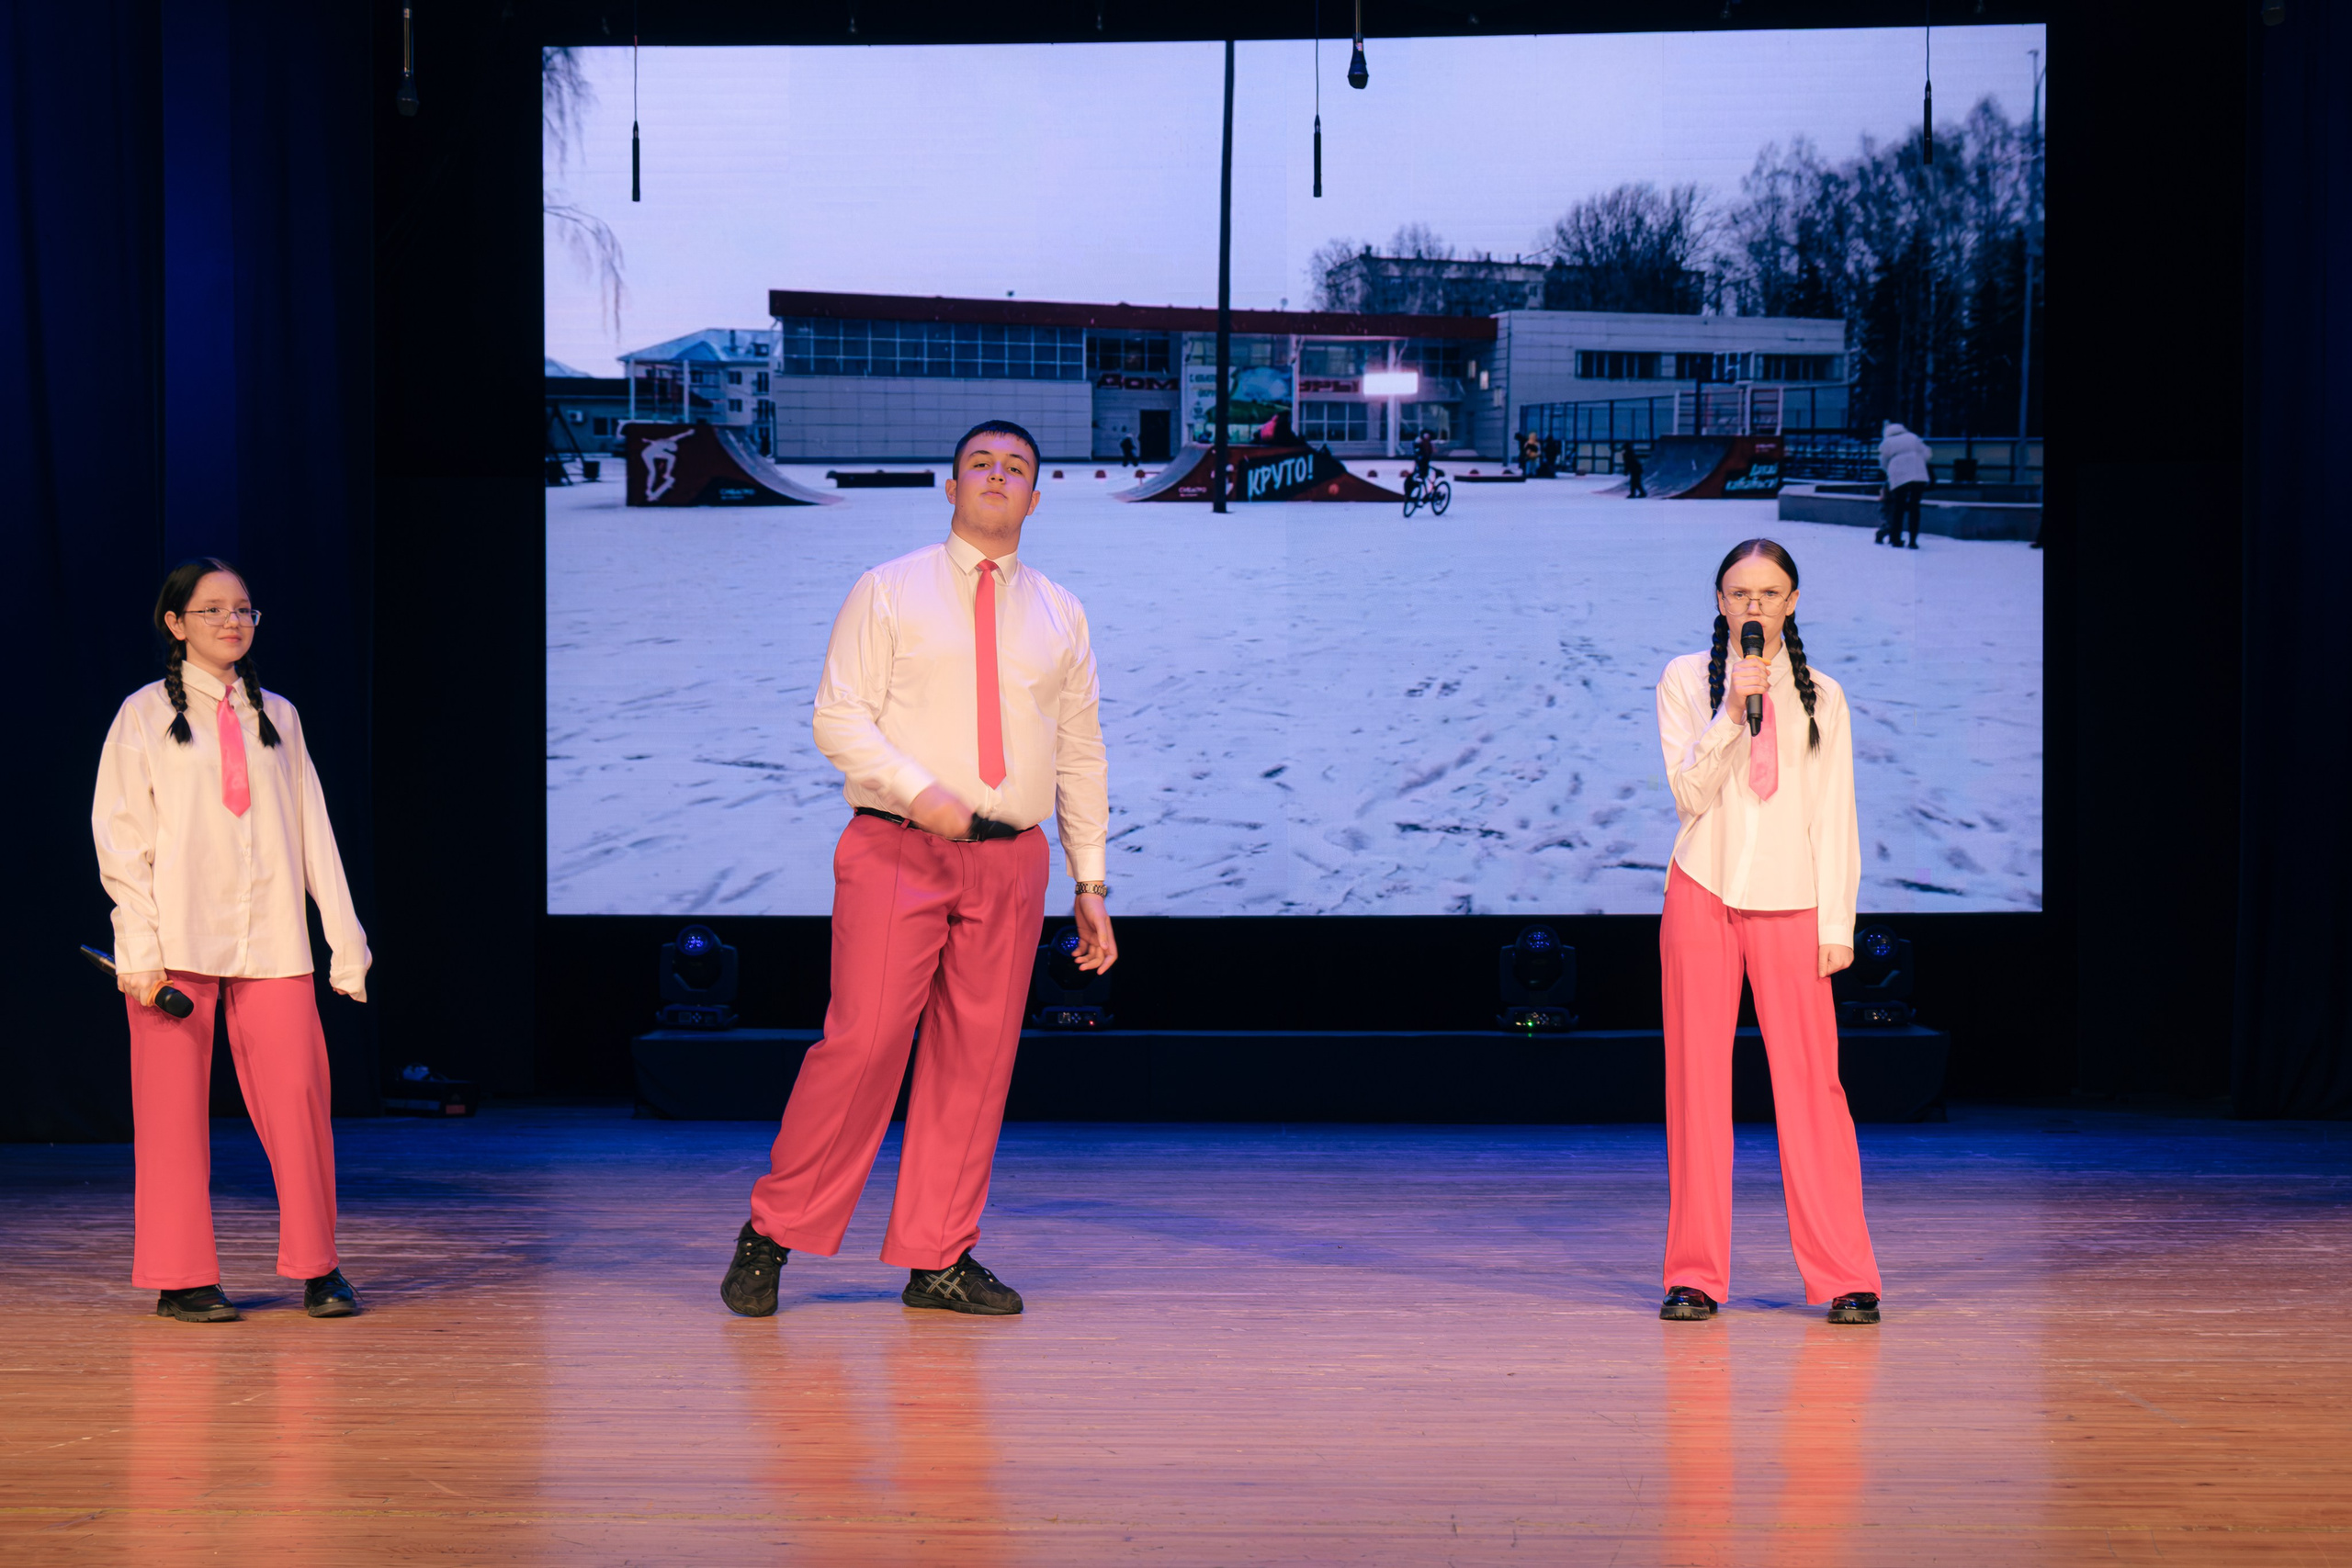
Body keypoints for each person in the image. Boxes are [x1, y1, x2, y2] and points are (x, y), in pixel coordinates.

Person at [720, 419, 1115, 1320]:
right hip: (898, 845)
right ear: (950, 486)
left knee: (973, 1065)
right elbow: (838, 719)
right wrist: (922, 792)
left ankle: (938, 1257)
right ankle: (771, 1232)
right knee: (862, 1048)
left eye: (1016, 467)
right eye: (980, 463)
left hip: (1010, 862)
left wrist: (1088, 882)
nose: (996, 476)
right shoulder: (888, 590)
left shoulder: (1060, 612)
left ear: (1035, 497)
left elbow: (1081, 752)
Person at [92, 558, 369, 1324]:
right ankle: (183, 1278)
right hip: (174, 943)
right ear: (176, 623)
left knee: (300, 1102)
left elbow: (314, 830)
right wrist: (138, 947)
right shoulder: (144, 714)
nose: (232, 622)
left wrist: (344, 937)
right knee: (171, 1115)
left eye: (243, 609)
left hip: (272, 938)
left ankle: (319, 1265)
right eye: (212, 610)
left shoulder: (278, 713)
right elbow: (120, 838)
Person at [1652, 539, 1882, 1327]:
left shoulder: (1826, 695)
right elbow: (1688, 793)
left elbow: (1835, 815)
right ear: (1721, 601)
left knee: (1814, 1090)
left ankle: (1846, 1274)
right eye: (1740, 591)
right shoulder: (1687, 678)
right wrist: (1731, 709)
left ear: (1792, 601)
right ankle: (1694, 1275)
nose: (1755, 604)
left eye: (1770, 591)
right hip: (1702, 893)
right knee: (1696, 1088)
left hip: (1793, 903)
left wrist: (1838, 922)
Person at [1876, 421, 1931, 547]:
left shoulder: (1887, 442)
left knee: (1898, 507)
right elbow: (1927, 454)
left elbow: (1883, 462)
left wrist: (1889, 472)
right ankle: (1913, 541)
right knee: (1914, 507)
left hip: (1899, 476)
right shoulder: (1913, 437)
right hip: (1918, 474)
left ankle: (1896, 539)